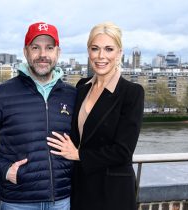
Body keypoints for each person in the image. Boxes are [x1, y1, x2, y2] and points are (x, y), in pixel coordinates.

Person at [0, 22, 76, 210]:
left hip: (62, 199)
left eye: (49, 48)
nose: (43, 54)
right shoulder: (1, 94)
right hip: (18, 202)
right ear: (26, 52)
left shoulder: (72, 95)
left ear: (58, 53)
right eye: (36, 47)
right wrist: (5, 169)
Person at [47, 22, 144, 210]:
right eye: (95, 49)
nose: (101, 56)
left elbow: (123, 152)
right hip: (80, 186)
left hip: (112, 192)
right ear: (88, 52)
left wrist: (78, 154)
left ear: (119, 53)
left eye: (109, 49)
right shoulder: (82, 86)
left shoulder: (131, 93)